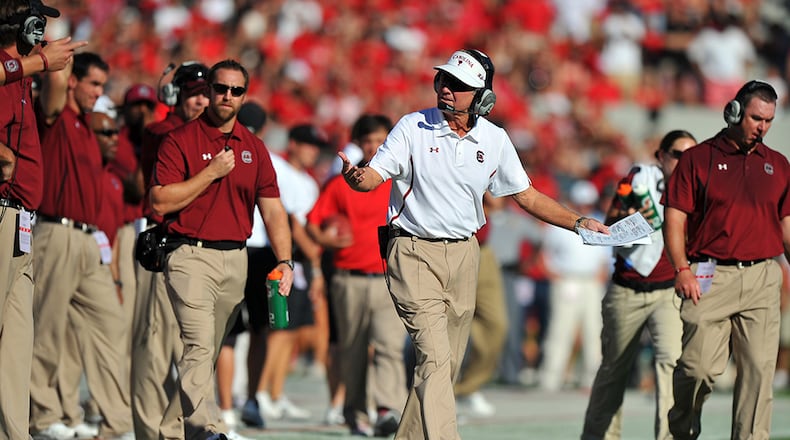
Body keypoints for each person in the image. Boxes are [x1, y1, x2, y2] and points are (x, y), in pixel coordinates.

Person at [339, 48, 608, 439]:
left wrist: (578, 222)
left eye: (458, 84)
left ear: (483, 97)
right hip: (414, 250)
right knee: (434, 357)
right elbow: (372, 177)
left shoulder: (494, 138)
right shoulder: (413, 126)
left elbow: (527, 195)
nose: (446, 88)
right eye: (443, 80)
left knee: (444, 365)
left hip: (466, 253)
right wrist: (356, 178)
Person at [149, 58, 294, 440]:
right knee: (199, 347)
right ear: (209, 90)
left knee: (207, 353)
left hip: (236, 259)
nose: (227, 96)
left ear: (244, 96)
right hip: (189, 255)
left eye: (236, 90)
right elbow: (160, 201)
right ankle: (205, 430)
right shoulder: (180, 140)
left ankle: (171, 432)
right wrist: (210, 173)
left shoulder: (254, 147)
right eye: (220, 88)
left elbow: (273, 210)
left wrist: (285, 261)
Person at [664, 79, 790, 439]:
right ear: (734, 112)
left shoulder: (779, 165)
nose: (762, 127)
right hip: (709, 273)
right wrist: (681, 268)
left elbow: (786, 226)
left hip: (763, 276)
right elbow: (675, 219)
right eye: (755, 118)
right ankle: (682, 429)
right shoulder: (697, 159)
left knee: (759, 373)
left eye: (768, 120)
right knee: (698, 369)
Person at [30, 51, 133, 440]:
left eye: (102, 86)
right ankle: (44, 417)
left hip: (90, 241)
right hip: (56, 233)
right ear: (73, 80)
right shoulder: (56, 117)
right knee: (47, 330)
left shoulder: (90, 128)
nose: (98, 92)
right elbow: (54, 85)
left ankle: (115, 422)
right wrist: (60, 55)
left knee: (112, 325)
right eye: (93, 83)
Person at [0, 1, 84, 438]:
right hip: (2, 211)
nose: (41, 31)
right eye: (37, 22)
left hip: (21, 220)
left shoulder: (18, 74)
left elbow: (52, 103)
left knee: (17, 341)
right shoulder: (13, 68)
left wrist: (47, 64)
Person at [581, 129, 697, 440]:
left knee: (671, 366)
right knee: (613, 368)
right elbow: (610, 221)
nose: (685, 161)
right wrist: (630, 216)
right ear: (661, 156)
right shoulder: (638, 178)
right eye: (678, 155)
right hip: (628, 287)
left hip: (668, 289)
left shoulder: (698, 185)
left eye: (691, 155)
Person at [306, 113, 409, 436]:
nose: (374, 147)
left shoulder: (401, 179)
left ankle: (388, 408)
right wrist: (327, 241)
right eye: (368, 141)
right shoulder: (341, 183)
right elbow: (313, 223)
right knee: (352, 349)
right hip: (348, 277)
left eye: (380, 140)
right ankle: (355, 411)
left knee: (389, 345)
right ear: (358, 144)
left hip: (389, 277)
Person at [132, 60, 209, 440]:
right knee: (156, 345)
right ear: (175, 95)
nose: (202, 102)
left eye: (206, 95)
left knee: (195, 347)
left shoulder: (211, 134)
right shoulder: (163, 131)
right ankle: (150, 431)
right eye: (193, 95)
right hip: (165, 241)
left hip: (200, 245)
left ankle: (190, 426)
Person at [538, 180, 611, 392]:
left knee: (594, 330)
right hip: (566, 280)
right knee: (561, 329)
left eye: (588, 203)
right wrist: (553, 275)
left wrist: (602, 272)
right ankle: (550, 378)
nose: (585, 206)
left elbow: (605, 255)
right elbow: (544, 253)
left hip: (591, 281)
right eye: (581, 202)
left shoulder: (599, 221)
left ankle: (592, 378)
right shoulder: (559, 225)